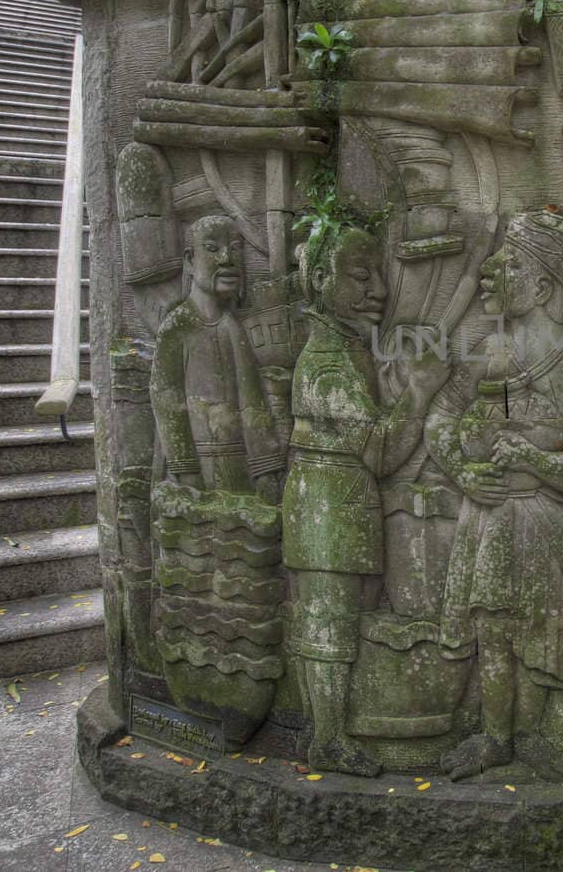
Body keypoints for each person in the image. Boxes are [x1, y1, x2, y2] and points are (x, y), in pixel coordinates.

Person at [425, 210, 563, 781]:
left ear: (540, 286)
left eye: (507, 265)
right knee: (491, 622)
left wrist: (538, 461)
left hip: (545, 517)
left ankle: (531, 734)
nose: (490, 272)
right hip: (485, 514)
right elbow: (439, 417)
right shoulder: (485, 352)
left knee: (541, 620)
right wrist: (462, 469)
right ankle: (493, 737)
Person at [282, 226, 449, 776]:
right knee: (328, 625)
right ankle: (327, 737)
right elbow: (378, 450)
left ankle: (327, 732)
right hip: (326, 513)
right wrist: (422, 393)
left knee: (336, 621)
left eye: (378, 274)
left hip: (342, 510)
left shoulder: (349, 350)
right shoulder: (327, 361)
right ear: (321, 281)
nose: (377, 288)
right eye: (360, 276)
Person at [151, 214, 283, 498]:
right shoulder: (177, 327)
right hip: (197, 472)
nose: (227, 259)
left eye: (236, 248)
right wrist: (187, 473)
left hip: (239, 470)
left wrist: (265, 469)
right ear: (189, 260)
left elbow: (253, 403)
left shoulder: (232, 327)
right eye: (212, 249)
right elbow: (167, 404)